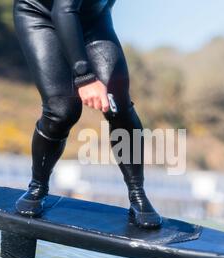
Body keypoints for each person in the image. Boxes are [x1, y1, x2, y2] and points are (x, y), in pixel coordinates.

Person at [13, 0, 162, 229]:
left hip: (94, 20)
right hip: (41, 15)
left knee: (118, 106)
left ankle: (137, 194)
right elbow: (64, 9)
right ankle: (37, 187)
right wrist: (84, 77)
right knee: (62, 111)